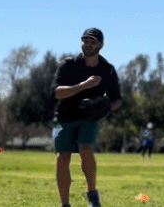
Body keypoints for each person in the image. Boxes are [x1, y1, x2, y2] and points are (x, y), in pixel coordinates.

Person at [51, 28, 122, 207]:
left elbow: (117, 99)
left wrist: (106, 108)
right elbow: (58, 93)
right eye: (85, 41)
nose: (88, 44)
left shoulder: (107, 69)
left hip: (89, 117)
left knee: (85, 148)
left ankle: (92, 193)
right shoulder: (69, 65)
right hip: (64, 117)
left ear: (101, 45)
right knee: (62, 158)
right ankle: (65, 204)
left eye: (92, 41)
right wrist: (83, 85)